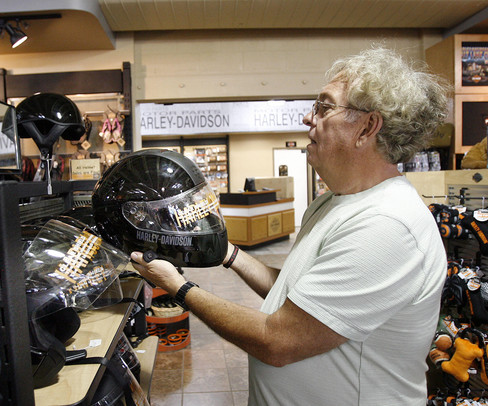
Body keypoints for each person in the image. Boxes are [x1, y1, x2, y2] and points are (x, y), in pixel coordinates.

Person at [131, 46, 450, 404]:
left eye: (324, 107)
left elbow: (277, 340)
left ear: (367, 127)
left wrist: (176, 285)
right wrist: (229, 254)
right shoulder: (334, 201)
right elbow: (293, 297)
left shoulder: (386, 226)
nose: (307, 118)